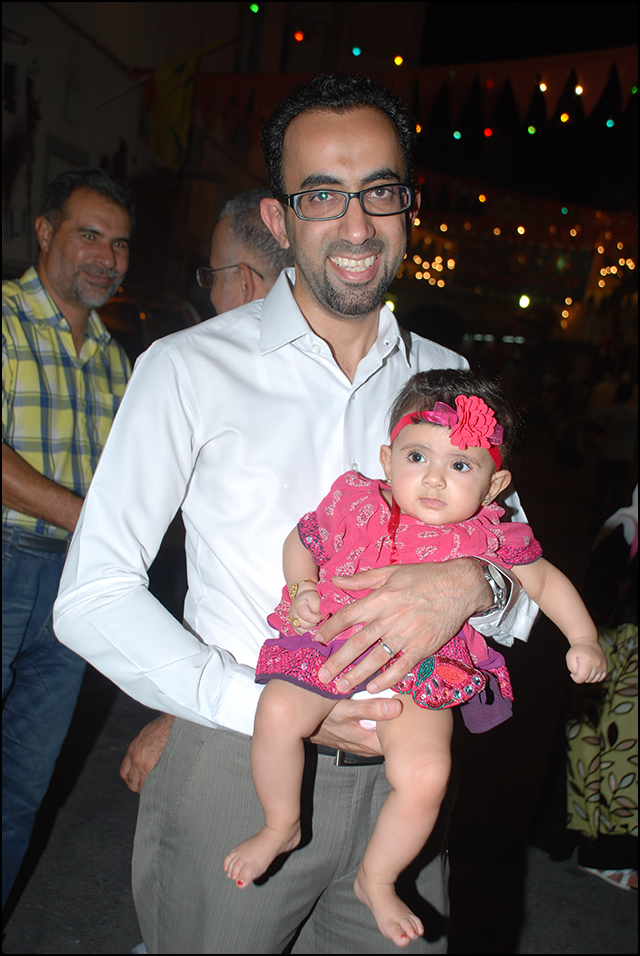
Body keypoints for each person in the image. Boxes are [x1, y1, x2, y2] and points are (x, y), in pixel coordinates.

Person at [55, 75, 536, 954]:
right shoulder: (188, 368)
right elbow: (92, 595)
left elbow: (524, 581)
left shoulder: (450, 381)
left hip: (406, 787)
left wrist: (476, 584)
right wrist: (260, 704)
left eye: (378, 192)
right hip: (237, 771)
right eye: (322, 195)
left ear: (408, 208)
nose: (355, 226)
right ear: (279, 220)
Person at [223, 369, 606, 947]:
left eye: (461, 465)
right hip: (332, 645)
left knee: (427, 774)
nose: (433, 478)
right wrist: (300, 588)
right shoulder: (354, 501)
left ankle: (377, 879)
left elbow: (545, 582)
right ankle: (281, 824)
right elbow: (301, 540)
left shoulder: (490, 536)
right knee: (276, 713)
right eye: (417, 456)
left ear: (494, 485)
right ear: (388, 457)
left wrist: (583, 638)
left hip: (424, 670)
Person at [120, 189, 294, 795]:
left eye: (211, 277)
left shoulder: (194, 367)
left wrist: (183, 714)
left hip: (248, 718)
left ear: (242, 281)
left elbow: (253, 585)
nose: (209, 295)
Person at [2, 168, 133, 908]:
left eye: (120, 244)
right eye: (90, 235)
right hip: (6, 561)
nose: (107, 258)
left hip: (74, 589)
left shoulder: (115, 359)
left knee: (23, 787)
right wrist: (90, 519)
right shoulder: (3, 319)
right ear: (45, 231)